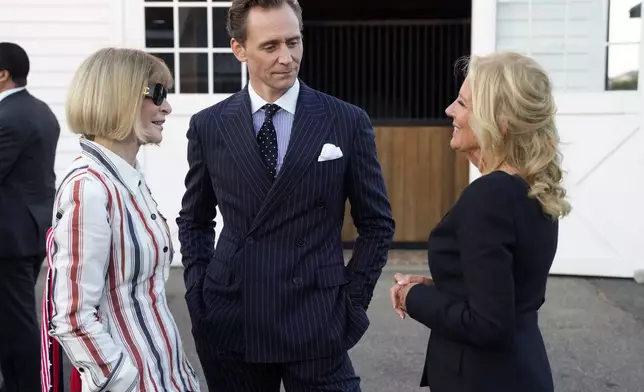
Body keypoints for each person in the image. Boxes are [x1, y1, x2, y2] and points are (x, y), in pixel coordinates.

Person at [176, 0, 395, 390]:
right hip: (232, 317)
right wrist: (199, 296)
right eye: (270, 46)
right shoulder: (209, 125)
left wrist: (351, 301)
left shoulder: (346, 120)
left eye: (294, 42)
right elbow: (195, 220)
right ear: (238, 49)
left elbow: (377, 224)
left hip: (316, 319)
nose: (287, 57)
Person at [390, 51, 572, 392]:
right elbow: (507, 289)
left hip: (485, 378)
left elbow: (489, 324)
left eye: (462, 102)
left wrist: (411, 296)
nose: (450, 111)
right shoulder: (533, 188)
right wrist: (441, 285)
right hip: (522, 369)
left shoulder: (489, 196)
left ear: (498, 121)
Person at [41, 48, 200, 392]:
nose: (167, 107)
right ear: (121, 96)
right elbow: (72, 318)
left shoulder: (128, 180)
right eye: (157, 93)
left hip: (164, 375)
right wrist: (121, 380)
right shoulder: (90, 187)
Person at [0, 42, 60, 392]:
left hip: (10, 238)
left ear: (3, 74)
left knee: (16, 326)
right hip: (30, 231)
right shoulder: (39, 110)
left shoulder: (9, 118)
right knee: (12, 322)